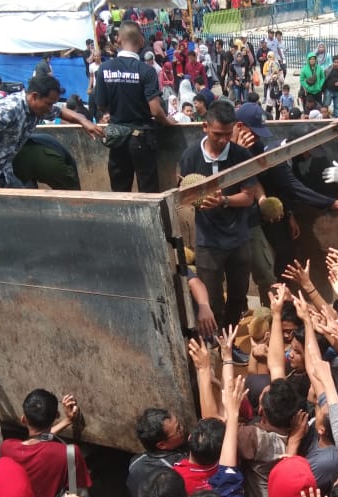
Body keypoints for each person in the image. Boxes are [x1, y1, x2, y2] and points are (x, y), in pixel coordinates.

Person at [178, 100, 260, 327]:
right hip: (208, 241)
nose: (223, 139)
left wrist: (223, 200)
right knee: (211, 299)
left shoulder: (241, 156)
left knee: (237, 296)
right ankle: (215, 343)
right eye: (217, 134)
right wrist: (194, 199)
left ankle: (230, 341)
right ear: (205, 127)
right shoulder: (190, 157)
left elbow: (248, 197)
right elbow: (183, 190)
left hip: (238, 239)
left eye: (227, 133)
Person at [0, 75, 101, 188]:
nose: (50, 108)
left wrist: (84, 121)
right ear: (34, 96)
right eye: (48, 103)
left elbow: (60, 112)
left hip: (5, 170)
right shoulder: (10, 108)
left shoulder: (38, 109)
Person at [94, 21, 175, 193]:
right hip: (142, 139)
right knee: (149, 192)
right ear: (141, 41)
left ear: (119, 40)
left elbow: (101, 105)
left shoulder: (104, 69)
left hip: (117, 139)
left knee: (120, 192)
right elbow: (155, 110)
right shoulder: (146, 71)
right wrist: (168, 121)